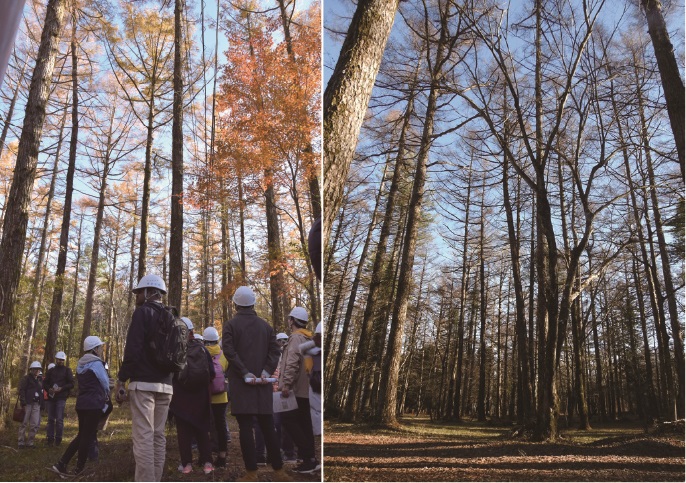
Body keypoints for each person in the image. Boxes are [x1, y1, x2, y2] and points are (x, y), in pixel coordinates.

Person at [222, 286, 289, 482]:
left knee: (245, 427)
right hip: (262, 383)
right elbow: (275, 352)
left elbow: (229, 351)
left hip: (243, 385)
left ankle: (251, 473)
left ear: (236, 304)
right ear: (253, 303)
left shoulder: (231, 325)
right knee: (268, 426)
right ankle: (279, 470)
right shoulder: (266, 327)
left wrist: (244, 372)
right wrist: (265, 372)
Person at [115, 274, 174, 482]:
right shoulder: (171, 316)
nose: (137, 296)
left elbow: (133, 350)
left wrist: (122, 379)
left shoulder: (142, 313)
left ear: (149, 292)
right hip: (166, 386)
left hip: (144, 385)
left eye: (139, 292)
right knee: (158, 436)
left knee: (143, 437)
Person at [52, 336, 110, 476]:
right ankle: (78, 468)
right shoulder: (96, 363)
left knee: (82, 435)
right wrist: (107, 395)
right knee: (87, 436)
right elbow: (105, 382)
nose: (101, 349)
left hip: (82, 403)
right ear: (94, 349)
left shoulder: (80, 363)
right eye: (99, 347)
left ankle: (63, 464)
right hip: (94, 403)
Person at [170, 317, 215, 475]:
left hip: (181, 398)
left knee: (183, 433)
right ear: (192, 331)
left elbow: (172, 375)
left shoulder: (175, 349)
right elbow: (212, 372)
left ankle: (187, 465)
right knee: (202, 429)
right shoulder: (202, 349)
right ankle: (208, 463)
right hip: (201, 397)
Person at [278, 307, 320, 474]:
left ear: (292, 321)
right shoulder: (307, 337)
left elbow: (292, 363)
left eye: (289, 319)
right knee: (304, 425)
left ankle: (308, 456)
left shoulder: (295, 338)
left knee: (287, 419)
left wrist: (286, 384)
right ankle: (310, 460)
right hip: (306, 390)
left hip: (296, 389)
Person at [203, 326, 229, 469]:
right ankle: (222, 456)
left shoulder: (201, 353)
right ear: (216, 340)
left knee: (204, 426)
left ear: (205, 340)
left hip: (205, 396)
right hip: (222, 396)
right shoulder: (223, 355)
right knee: (221, 426)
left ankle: (205, 456)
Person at [273, 333, 297, 463]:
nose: (282, 343)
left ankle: (290, 453)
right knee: (276, 424)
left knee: (287, 423)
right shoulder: (273, 355)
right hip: (276, 393)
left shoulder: (291, 354)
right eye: (280, 341)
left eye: (284, 340)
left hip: (288, 392)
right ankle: (278, 452)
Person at [43, 350, 74, 446]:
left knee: (59, 419)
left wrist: (62, 388)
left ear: (64, 360)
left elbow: (71, 383)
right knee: (50, 419)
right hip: (51, 398)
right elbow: (45, 383)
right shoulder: (51, 371)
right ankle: (50, 439)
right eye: (58, 359)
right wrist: (49, 389)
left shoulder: (67, 370)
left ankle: (58, 439)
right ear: (56, 359)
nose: (60, 361)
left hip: (61, 397)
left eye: (62, 359)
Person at [18, 361, 43, 449]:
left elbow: (41, 392)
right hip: (27, 404)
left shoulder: (40, 380)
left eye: (38, 369)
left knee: (35, 424)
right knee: (24, 423)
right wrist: (23, 403)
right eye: (35, 369)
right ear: (31, 370)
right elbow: (22, 391)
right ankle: (21, 442)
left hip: (36, 404)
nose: (37, 371)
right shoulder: (26, 379)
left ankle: (30, 442)